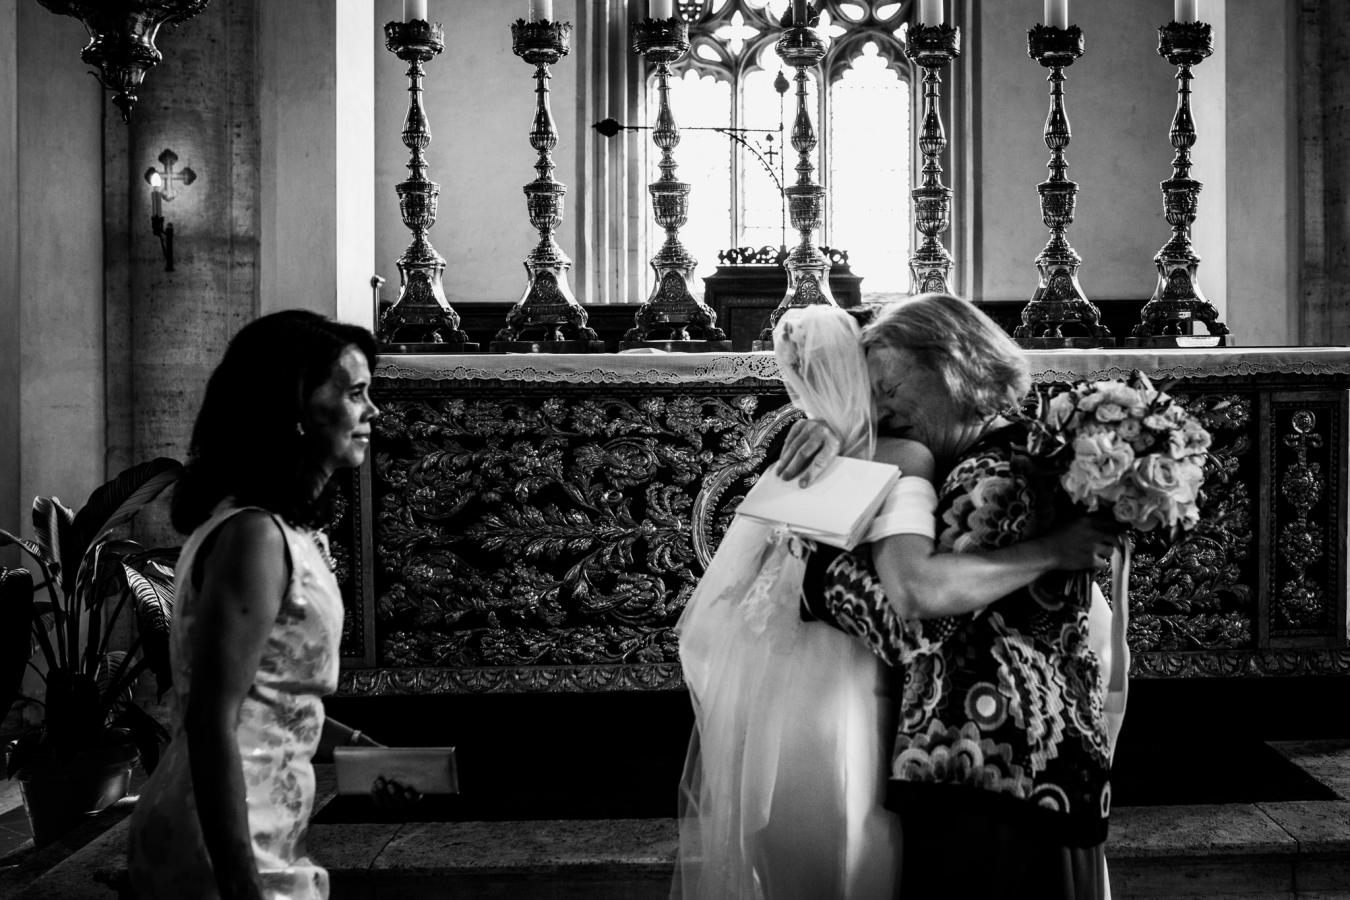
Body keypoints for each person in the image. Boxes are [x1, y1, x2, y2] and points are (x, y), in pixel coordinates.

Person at [674, 304, 1118, 899]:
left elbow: (915, 613)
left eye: (887, 389)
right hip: (989, 766)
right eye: (870, 393)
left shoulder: (997, 473)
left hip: (1004, 767)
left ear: (954, 366)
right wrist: (838, 428)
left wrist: (809, 575)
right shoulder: (973, 452)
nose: (879, 409)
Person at [127, 310, 414, 900]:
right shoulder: (253, 536)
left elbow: (272, 699)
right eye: (355, 394)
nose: (373, 411)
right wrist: (241, 883)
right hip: (223, 839)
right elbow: (211, 717)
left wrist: (365, 756)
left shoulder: (278, 530)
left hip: (261, 824)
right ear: (295, 408)